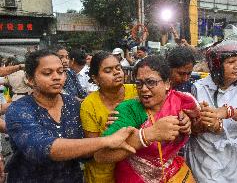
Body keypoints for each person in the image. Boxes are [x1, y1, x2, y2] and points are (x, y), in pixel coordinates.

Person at [4, 49, 136, 183]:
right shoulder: (19, 110)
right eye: (47, 73)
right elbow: (43, 148)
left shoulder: (74, 105)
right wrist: (107, 140)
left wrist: (107, 129)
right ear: (30, 79)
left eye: (61, 72)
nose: (56, 77)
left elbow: (87, 153)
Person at [95, 55, 197, 183]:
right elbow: (101, 155)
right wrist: (146, 136)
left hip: (173, 174)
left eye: (151, 82)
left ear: (167, 84)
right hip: (135, 177)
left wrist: (189, 122)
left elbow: (201, 123)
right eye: (139, 83)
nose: (143, 89)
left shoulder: (181, 101)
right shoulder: (130, 110)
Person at [187, 40, 237, 182]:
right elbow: (192, 128)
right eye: (231, 62)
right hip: (207, 158)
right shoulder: (198, 88)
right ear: (217, 65)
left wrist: (228, 112)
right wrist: (206, 123)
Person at [80, 51, 137, 183]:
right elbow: (93, 150)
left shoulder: (136, 91)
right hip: (103, 174)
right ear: (95, 78)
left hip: (134, 170)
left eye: (118, 68)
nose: (117, 72)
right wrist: (108, 135)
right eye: (108, 70)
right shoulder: (89, 105)